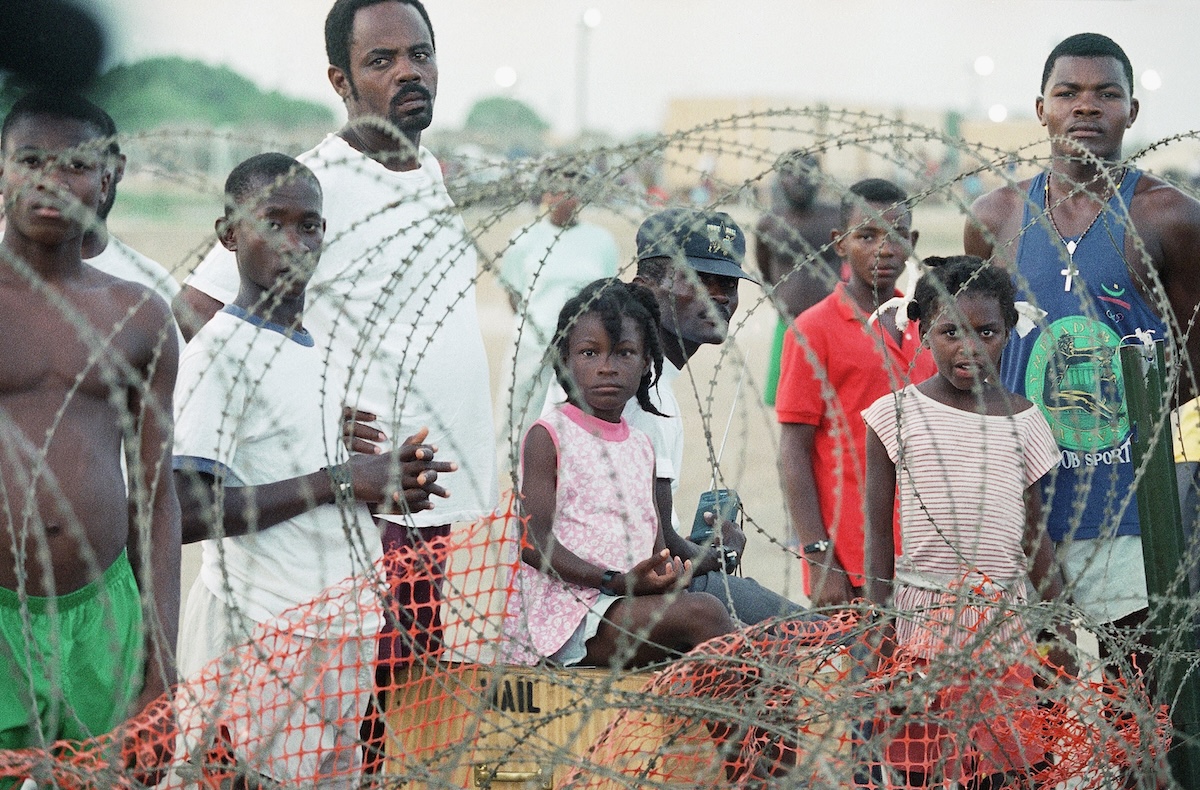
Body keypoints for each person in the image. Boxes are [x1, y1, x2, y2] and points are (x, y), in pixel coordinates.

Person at [174, 0, 496, 695]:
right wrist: (300, 413)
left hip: (440, 505)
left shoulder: (432, 174)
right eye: (380, 61)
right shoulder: (314, 185)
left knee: (412, 708)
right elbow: (195, 306)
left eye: (420, 54)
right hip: (369, 509)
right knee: (356, 711)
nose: (408, 72)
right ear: (340, 81)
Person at [172, 153, 453, 785]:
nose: (294, 243)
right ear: (228, 235)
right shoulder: (220, 352)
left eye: (310, 226)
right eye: (272, 222)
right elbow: (186, 510)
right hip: (270, 633)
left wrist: (391, 482)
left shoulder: (314, 349)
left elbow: (313, 475)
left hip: (340, 631)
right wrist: (342, 480)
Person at [964, 33, 1200, 671]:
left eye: (1106, 93)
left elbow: (1193, 372)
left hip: (1132, 511)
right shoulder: (996, 215)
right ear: (1041, 109)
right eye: (1068, 93)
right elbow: (970, 362)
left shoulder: (1170, 218)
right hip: (1023, 508)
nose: (1086, 107)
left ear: (1133, 111)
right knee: (1027, 709)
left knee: (1142, 705)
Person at [0, 91, 180, 749]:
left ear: (110, 176)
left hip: (103, 616)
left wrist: (162, 660)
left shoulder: (139, 316)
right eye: (31, 160)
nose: (53, 180)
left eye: (76, 164)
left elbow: (159, 500)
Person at [862, 257, 1075, 787]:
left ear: (1009, 333)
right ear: (923, 332)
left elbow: (1033, 534)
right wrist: (876, 624)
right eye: (950, 331)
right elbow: (878, 534)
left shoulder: (1026, 422)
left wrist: (1061, 620)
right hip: (921, 628)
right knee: (923, 770)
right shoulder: (895, 415)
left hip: (999, 628)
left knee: (1004, 770)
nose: (969, 347)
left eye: (986, 331)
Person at [504, 278, 734, 668]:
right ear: (566, 360)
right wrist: (613, 581)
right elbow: (531, 541)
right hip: (564, 618)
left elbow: (656, 553)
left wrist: (670, 574)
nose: (607, 368)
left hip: (623, 606)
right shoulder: (550, 435)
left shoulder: (641, 446)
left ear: (647, 362)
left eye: (624, 353)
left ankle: (746, 729)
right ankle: (751, 733)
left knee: (740, 634)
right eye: (590, 353)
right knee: (705, 615)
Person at [621, 208, 808, 624]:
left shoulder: (648, 376)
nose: (720, 296)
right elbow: (656, 553)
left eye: (728, 283)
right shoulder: (634, 389)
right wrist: (714, 555)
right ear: (645, 287)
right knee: (818, 635)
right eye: (700, 280)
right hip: (628, 597)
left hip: (644, 585)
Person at [777, 178, 935, 607]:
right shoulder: (814, 329)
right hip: (852, 562)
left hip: (925, 557)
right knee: (864, 672)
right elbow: (793, 450)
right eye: (866, 235)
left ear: (912, 242)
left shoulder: (928, 327)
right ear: (840, 243)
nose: (883, 249)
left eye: (897, 235)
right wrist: (819, 558)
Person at [498, 165, 618, 454]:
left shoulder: (601, 241)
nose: (563, 197)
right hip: (531, 342)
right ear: (545, 195)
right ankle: (511, 479)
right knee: (517, 415)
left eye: (571, 191)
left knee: (580, 415)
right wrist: (536, 325)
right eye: (555, 190)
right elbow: (513, 292)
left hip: (582, 345)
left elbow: (607, 293)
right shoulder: (524, 238)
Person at [755, 151, 842, 406]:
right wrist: (780, 300)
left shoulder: (837, 218)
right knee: (788, 404)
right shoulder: (770, 223)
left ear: (820, 179)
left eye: (806, 173)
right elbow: (763, 268)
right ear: (779, 180)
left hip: (832, 324)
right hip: (789, 324)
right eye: (789, 174)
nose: (798, 180)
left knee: (834, 403)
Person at [80, 106, 181, 323]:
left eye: (79, 165)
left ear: (116, 171)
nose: (57, 183)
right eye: (33, 163)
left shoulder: (153, 287)